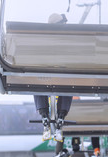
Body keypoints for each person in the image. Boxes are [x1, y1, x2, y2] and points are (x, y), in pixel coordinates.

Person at [34, 13, 73, 143]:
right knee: (69, 85)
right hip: (64, 77)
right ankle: (62, 114)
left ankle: (43, 113)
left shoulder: (41, 41)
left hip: (44, 77)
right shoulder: (70, 39)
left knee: (35, 83)